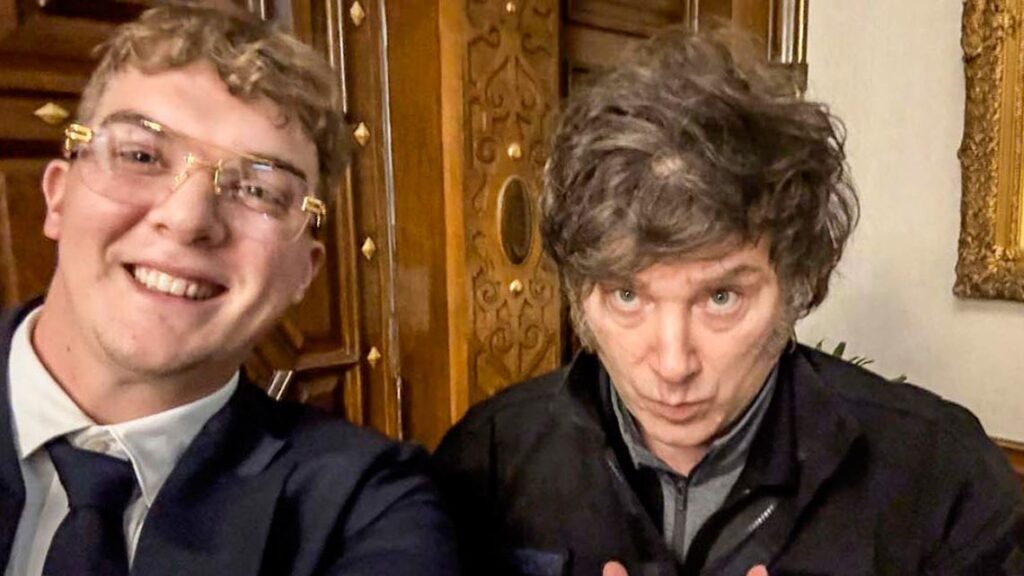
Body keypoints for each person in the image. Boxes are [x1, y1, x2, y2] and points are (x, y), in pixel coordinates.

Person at [431, 26, 1024, 576]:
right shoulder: (486, 461)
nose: (672, 365)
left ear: (795, 284)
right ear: (579, 297)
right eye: (627, 294)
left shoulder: (942, 479)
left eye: (720, 297)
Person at [0, 4, 456, 575]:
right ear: (58, 197)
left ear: (304, 272)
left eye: (259, 191)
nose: (188, 218)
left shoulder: (366, 508)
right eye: (141, 156)